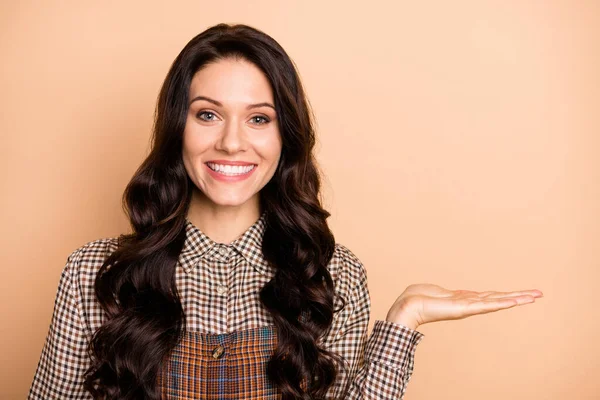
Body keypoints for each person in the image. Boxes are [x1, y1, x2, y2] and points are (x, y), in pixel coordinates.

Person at [27, 23, 543, 400]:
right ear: (175, 129)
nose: (231, 142)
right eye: (207, 114)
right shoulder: (95, 275)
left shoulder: (333, 276)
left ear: (285, 137)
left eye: (258, 118)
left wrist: (401, 325)